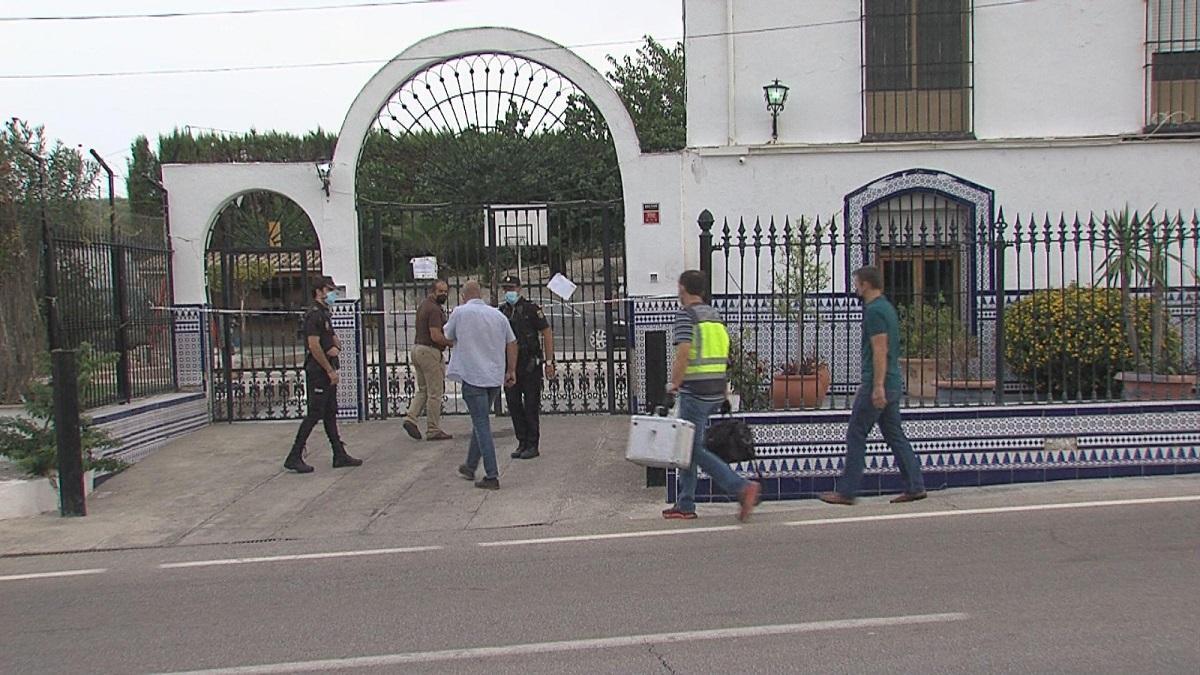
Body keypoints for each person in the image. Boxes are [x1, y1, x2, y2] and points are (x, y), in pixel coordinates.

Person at [820, 266, 926, 505]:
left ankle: (847, 491)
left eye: (857, 282)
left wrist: (876, 385)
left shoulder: (875, 311)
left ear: (866, 284)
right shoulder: (886, 308)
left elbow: (880, 348)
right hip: (892, 381)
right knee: (894, 434)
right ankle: (915, 484)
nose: (855, 287)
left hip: (880, 383)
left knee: (856, 433)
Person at [663, 270, 761, 521]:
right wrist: (724, 390)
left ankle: (741, 487)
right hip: (714, 391)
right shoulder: (715, 316)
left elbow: (683, 353)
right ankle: (685, 502)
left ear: (683, 288)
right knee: (689, 447)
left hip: (694, 391)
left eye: (679, 288)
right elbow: (725, 356)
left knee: (691, 449)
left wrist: (674, 384)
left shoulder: (687, 316)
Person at [284, 276, 363, 473]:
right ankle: (294, 455)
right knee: (314, 414)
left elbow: (332, 340)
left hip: (328, 370)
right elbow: (313, 345)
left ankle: (339, 453)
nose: (332, 294)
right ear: (319, 291)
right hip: (319, 372)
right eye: (329, 290)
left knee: (329, 413)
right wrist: (328, 369)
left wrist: (335, 346)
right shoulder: (313, 315)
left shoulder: (324, 313)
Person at [446, 281, 518, 490]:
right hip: (494, 378)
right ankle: (469, 465)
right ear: (481, 295)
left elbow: (448, 336)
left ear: (463, 295)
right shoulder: (497, 315)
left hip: (473, 376)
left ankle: (492, 474)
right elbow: (512, 343)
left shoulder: (460, 313)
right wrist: (511, 370)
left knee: (482, 424)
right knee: (481, 421)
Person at [499, 275, 555, 460]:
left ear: (519, 288)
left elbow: (546, 333)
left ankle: (533, 444)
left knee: (531, 404)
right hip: (511, 364)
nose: (509, 292)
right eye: (506, 288)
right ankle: (522, 441)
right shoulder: (502, 311)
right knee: (514, 404)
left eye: (512, 288)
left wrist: (549, 362)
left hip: (530, 363)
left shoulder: (532, 309)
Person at [403, 279, 454, 442]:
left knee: (423, 389)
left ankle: (410, 418)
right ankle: (433, 429)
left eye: (446, 291)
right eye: (441, 291)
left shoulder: (424, 305)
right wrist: (452, 343)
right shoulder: (434, 310)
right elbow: (436, 335)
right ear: (433, 291)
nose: (444, 294)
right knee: (435, 392)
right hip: (430, 351)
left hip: (418, 349)